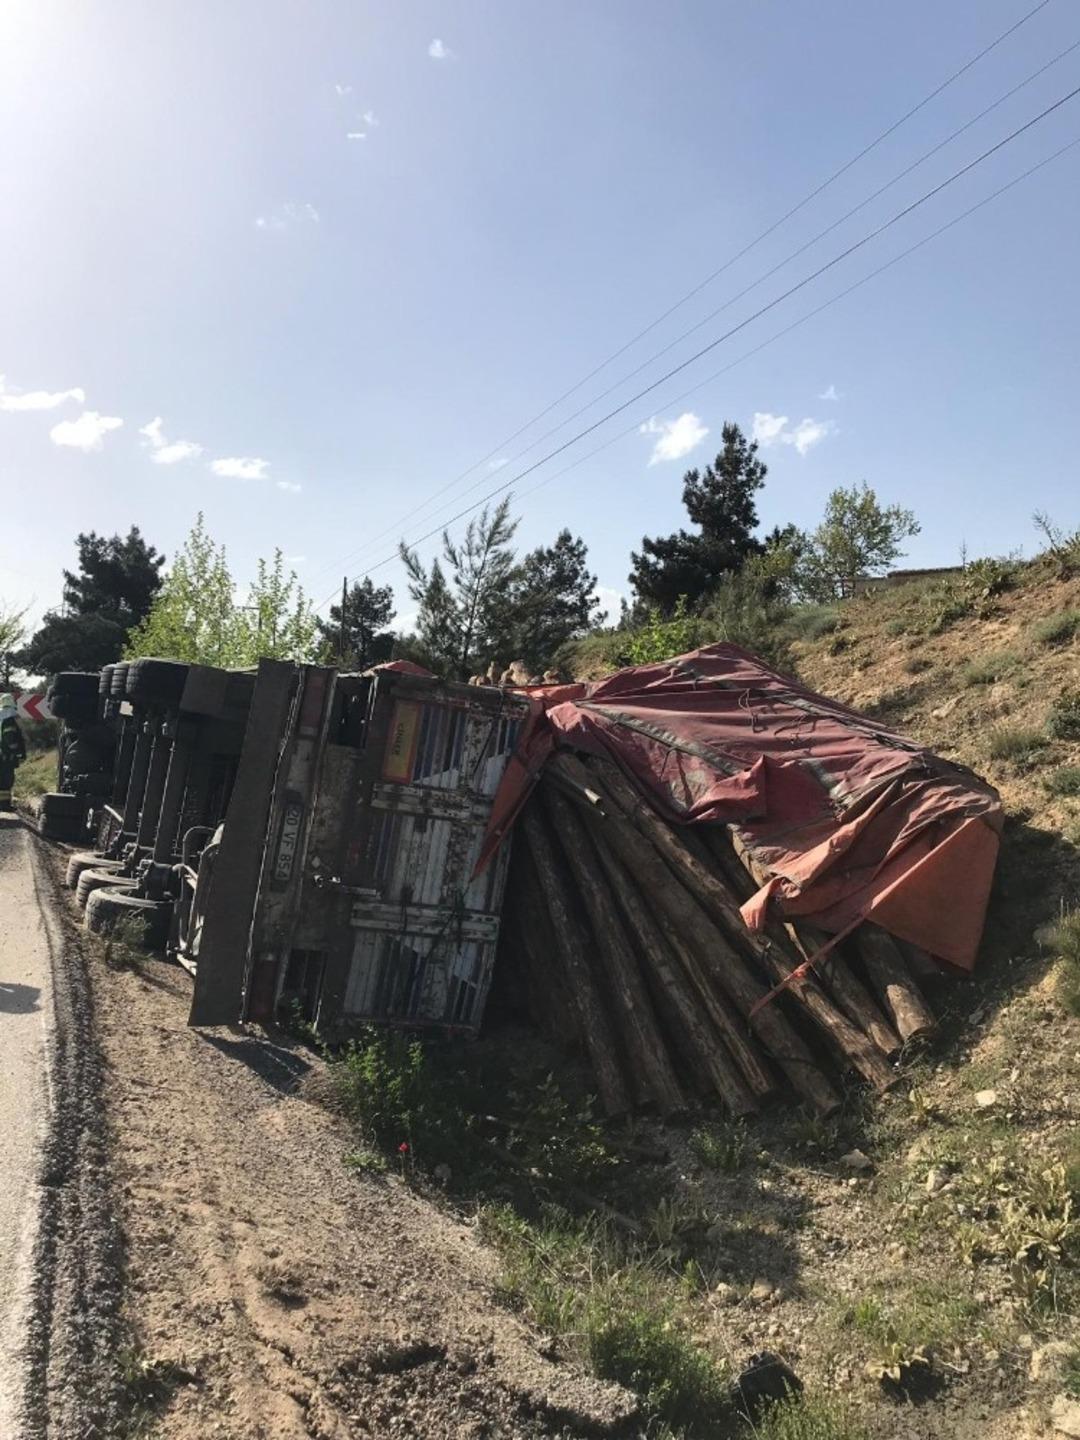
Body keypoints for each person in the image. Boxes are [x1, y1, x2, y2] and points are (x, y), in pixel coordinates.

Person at [0, 694, 26, 810]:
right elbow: (9, 737)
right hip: (6, 755)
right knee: (6, 781)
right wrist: (17, 751)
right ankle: (4, 805)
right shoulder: (9, 718)